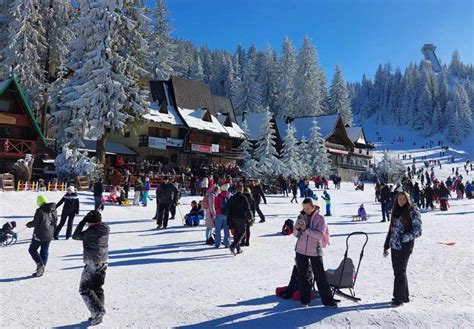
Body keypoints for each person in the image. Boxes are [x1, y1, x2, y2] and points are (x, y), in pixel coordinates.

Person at [293, 198, 338, 307]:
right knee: (302, 275)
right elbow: (295, 234)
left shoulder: (320, 218)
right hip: (301, 249)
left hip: (315, 250)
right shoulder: (301, 216)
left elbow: (320, 235)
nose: (306, 210)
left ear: (313, 207)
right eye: (304, 208)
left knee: (320, 275)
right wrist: (297, 228)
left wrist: (306, 229)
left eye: (308, 208)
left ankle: (328, 301)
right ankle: (304, 300)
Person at [383, 192, 422, 307]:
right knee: (398, 271)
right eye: (399, 199)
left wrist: (403, 238)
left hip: (405, 246)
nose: (401, 201)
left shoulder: (412, 211)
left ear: (407, 199)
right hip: (395, 245)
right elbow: (391, 230)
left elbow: (418, 231)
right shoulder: (395, 210)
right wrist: (386, 244)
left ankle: (398, 298)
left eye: (403, 199)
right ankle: (404, 296)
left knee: (400, 271)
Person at [73, 210, 110, 325]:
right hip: (103, 261)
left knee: (84, 289)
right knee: (97, 288)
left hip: (93, 262)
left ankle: (98, 312)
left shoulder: (91, 231)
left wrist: (83, 221)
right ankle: (97, 315)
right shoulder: (105, 228)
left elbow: (75, 236)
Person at [26, 195, 57, 277]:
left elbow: (36, 222)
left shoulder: (40, 211)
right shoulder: (53, 209)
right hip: (50, 234)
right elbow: (55, 221)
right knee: (44, 251)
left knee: (32, 249)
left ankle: (40, 265)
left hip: (40, 234)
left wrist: (29, 224)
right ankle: (42, 267)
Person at [227, 183, 251, 255]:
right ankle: (233, 245)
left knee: (236, 233)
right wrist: (250, 217)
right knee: (242, 232)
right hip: (241, 217)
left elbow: (229, 208)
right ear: (241, 189)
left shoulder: (232, 198)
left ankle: (238, 248)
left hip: (234, 217)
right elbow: (248, 208)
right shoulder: (244, 198)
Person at [214, 183, 231, 248]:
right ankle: (227, 243)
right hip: (227, 215)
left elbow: (216, 205)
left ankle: (217, 244)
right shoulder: (229, 196)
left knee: (218, 229)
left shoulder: (218, 196)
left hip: (219, 214)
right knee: (226, 230)